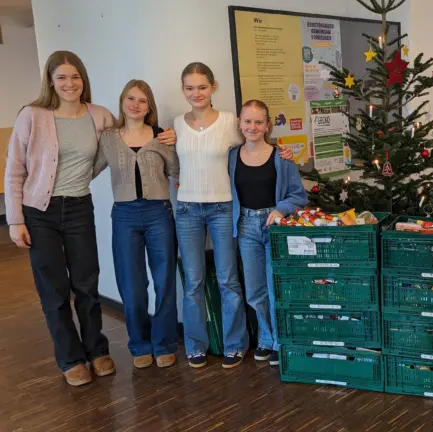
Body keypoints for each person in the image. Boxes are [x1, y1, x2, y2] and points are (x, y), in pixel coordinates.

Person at [4, 50, 176, 387]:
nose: (69, 84)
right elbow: (14, 169)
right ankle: (71, 359)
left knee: (86, 284)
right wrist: (15, 219)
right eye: (61, 77)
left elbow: (128, 140)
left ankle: (97, 350)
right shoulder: (32, 115)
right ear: (51, 81)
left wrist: (166, 136)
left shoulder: (100, 117)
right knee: (54, 290)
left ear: (84, 80)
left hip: (80, 207)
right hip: (39, 211)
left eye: (75, 77)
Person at [173, 62, 294, 369]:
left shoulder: (228, 121)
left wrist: (285, 152)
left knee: (230, 280)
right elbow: (177, 162)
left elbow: (257, 150)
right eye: (190, 87)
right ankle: (195, 346)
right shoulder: (176, 125)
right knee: (194, 282)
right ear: (183, 90)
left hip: (224, 210)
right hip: (189, 210)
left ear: (213, 87)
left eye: (203, 86)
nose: (197, 93)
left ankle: (238, 344)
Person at [93, 80, 179, 370]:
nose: (135, 105)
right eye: (131, 98)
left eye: (142, 100)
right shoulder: (109, 138)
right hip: (125, 216)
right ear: (122, 101)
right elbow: (88, 169)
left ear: (149, 107)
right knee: (132, 284)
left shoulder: (161, 136)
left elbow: (176, 170)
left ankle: (164, 344)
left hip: (159, 213)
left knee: (164, 281)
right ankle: (140, 344)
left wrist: (174, 143)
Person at [228, 100, 308, 366]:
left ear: (267, 125)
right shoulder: (231, 157)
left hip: (274, 227)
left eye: (258, 122)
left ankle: (279, 343)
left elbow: (298, 196)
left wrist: (281, 210)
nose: (252, 127)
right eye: (247, 121)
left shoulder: (281, 158)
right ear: (239, 123)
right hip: (245, 227)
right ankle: (265, 337)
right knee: (254, 289)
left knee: (276, 287)